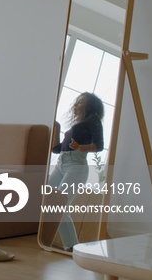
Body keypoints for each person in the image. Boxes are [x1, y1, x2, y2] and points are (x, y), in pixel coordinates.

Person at [48, 92, 105, 252]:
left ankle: (72, 248)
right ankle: (47, 240)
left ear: (90, 106)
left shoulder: (93, 119)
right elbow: (56, 149)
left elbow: (99, 145)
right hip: (62, 163)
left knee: (59, 206)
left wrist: (81, 148)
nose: (76, 104)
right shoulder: (77, 127)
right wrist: (57, 128)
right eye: (77, 101)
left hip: (77, 165)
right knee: (47, 201)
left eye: (81, 102)